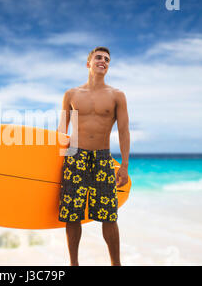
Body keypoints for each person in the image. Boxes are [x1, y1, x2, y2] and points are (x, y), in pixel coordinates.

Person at [57, 46, 130, 266]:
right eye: (98, 57)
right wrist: (61, 157)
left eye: (107, 59)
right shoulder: (71, 94)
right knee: (72, 214)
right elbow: (63, 127)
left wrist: (124, 165)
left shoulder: (117, 95)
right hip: (75, 156)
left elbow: (124, 130)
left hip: (103, 158)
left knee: (109, 214)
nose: (103, 61)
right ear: (88, 63)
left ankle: (116, 264)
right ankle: (74, 264)